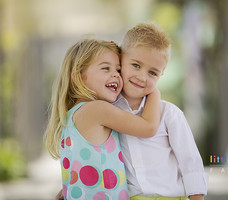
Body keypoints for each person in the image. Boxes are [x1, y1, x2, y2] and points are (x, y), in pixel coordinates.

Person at [56, 22, 208, 200]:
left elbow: (191, 162)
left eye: (153, 73)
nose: (142, 77)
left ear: (161, 75)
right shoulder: (107, 113)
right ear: (122, 60)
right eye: (135, 65)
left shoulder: (169, 113)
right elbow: (95, 156)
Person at [44, 38, 161, 200]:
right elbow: (148, 127)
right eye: (106, 68)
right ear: (79, 77)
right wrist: (154, 91)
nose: (115, 74)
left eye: (119, 70)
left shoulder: (71, 115)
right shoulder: (97, 110)